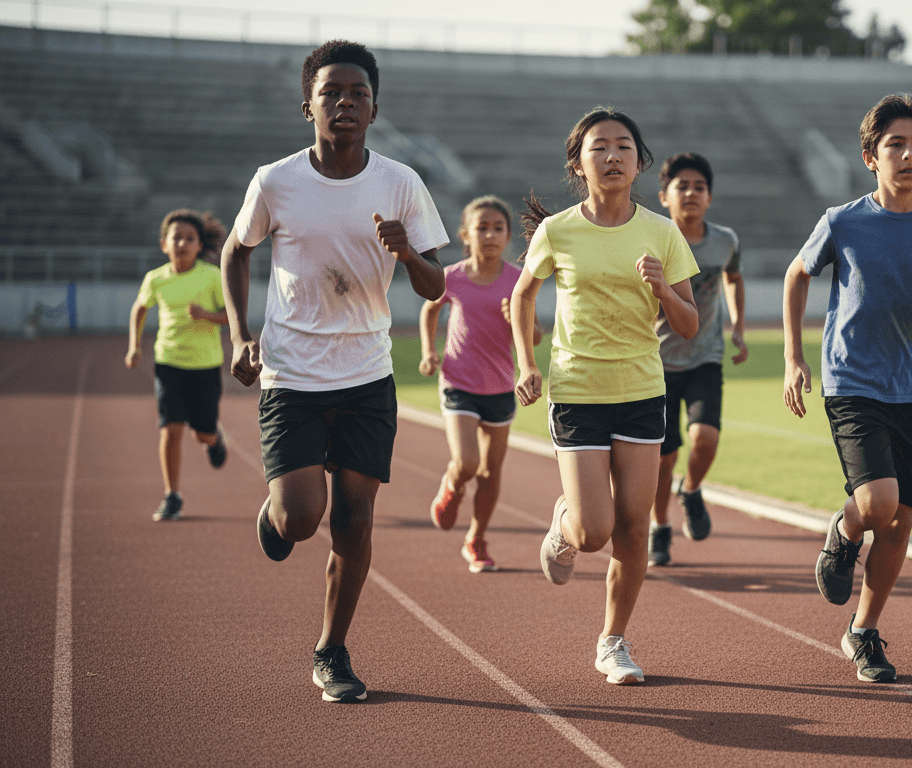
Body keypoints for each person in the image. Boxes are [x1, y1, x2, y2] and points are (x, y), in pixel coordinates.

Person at [220, 40, 448, 703]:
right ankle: (276, 516)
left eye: (357, 93)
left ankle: (332, 651)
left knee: (353, 521)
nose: (344, 103)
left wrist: (408, 254)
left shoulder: (401, 183)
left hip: (366, 374)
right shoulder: (276, 180)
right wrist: (239, 334)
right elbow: (237, 253)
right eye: (331, 93)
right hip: (291, 374)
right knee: (300, 518)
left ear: (374, 109)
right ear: (308, 106)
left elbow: (435, 287)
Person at [782, 94, 912, 683]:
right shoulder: (842, 221)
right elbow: (798, 273)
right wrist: (794, 357)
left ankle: (863, 632)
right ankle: (843, 530)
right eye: (895, 144)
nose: (908, 154)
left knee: (899, 523)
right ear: (871, 157)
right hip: (853, 381)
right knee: (877, 504)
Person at [511, 106, 698, 685]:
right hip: (577, 389)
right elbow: (520, 297)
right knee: (594, 532)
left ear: (640, 162)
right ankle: (566, 520)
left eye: (623, 147)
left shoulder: (661, 231)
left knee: (634, 527)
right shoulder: (558, 230)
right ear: (579, 163)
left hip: (641, 389)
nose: (612, 156)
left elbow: (688, 324)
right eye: (599, 147)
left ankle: (613, 641)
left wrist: (664, 288)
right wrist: (526, 363)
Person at [418, 195, 543, 573]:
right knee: (468, 462)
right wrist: (429, 350)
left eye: (498, 228)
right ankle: (452, 486)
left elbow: (535, 336)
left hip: (501, 387)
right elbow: (430, 308)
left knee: (491, 472)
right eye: (481, 228)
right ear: (465, 236)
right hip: (458, 382)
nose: (489, 235)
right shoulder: (452, 276)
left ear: (508, 238)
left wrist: (514, 317)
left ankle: (476, 537)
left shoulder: (517, 281)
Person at [647, 152, 748, 567]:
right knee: (662, 456)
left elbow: (733, 277)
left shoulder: (725, 240)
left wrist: (739, 326)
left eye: (699, 187)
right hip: (656, 363)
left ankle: (690, 490)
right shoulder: (652, 239)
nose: (691, 193)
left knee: (706, 437)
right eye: (682, 186)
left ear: (709, 197)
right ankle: (660, 526)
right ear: (664, 197)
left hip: (705, 357)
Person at [125, 209, 230, 521]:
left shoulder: (212, 277)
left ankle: (214, 436)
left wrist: (206, 315)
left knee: (202, 435)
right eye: (176, 238)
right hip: (168, 363)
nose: (182, 243)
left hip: (205, 366)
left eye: (189, 238)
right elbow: (139, 309)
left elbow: (232, 315)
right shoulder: (155, 279)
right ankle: (172, 496)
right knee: (170, 430)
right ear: (164, 244)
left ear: (199, 246)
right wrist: (134, 346)